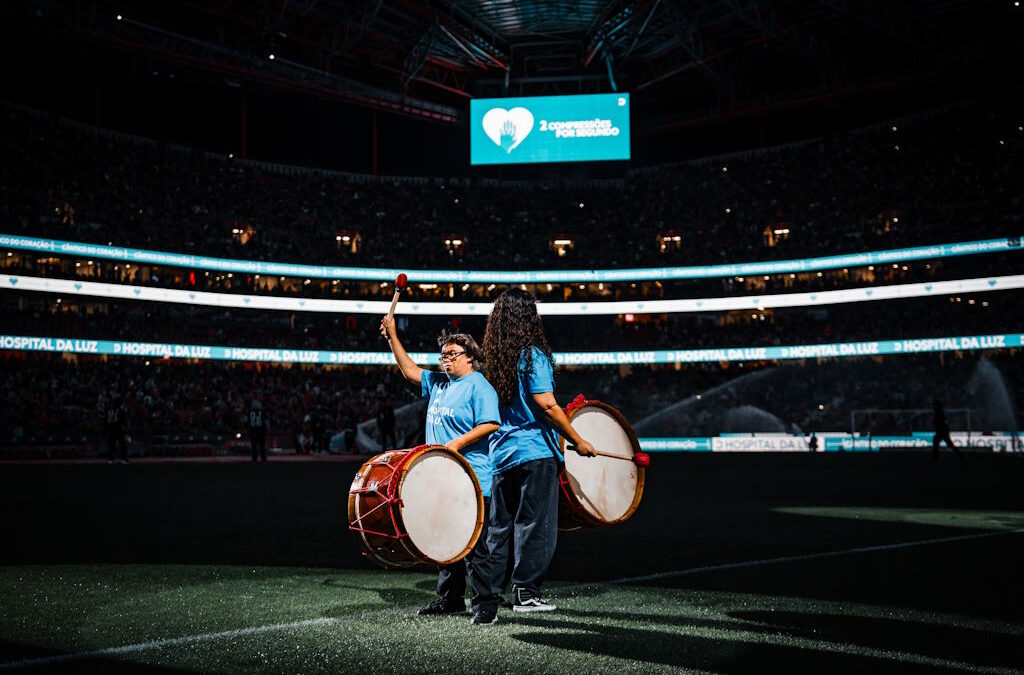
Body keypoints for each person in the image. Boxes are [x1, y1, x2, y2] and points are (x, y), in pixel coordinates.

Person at [473, 288, 597, 624]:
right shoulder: (532, 356)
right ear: (526, 317)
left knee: (498, 528)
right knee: (535, 526)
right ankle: (526, 593)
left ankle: (487, 597)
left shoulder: (493, 361)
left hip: (501, 454)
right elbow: (546, 405)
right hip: (534, 452)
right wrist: (578, 440)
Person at [380, 314, 500, 624]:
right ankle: (450, 599)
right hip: (443, 477)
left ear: (470, 357)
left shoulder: (479, 386)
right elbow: (408, 370)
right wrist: (393, 336)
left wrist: (457, 444)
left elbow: (491, 423)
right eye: (443, 355)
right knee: (446, 541)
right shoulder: (439, 383)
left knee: (475, 546)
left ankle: (485, 605)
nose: (445, 361)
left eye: (452, 355)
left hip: (473, 478)